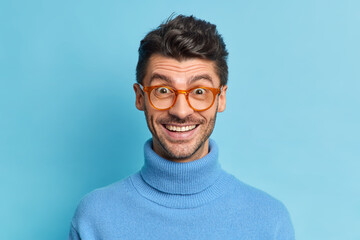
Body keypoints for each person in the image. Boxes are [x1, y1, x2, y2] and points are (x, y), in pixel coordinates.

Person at [69, 15, 295, 240]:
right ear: (140, 97)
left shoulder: (270, 221)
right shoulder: (95, 217)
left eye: (199, 92)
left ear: (221, 98)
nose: (181, 111)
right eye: (163, 90)